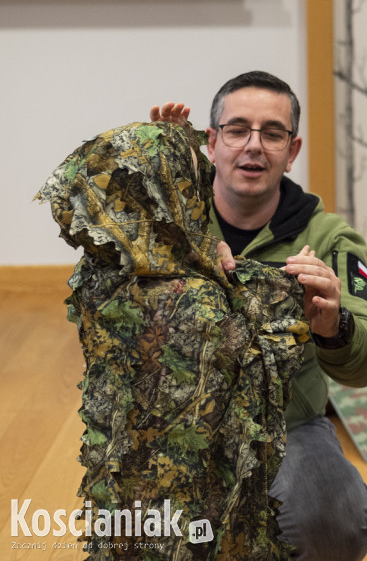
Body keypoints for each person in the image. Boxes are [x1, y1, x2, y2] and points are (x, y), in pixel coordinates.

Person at [36, 121, 310, 558]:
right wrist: (286, 284)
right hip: (192, 487)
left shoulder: (96, 279)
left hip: (122, 473)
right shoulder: (196, 299)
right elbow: (267, 343)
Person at [152, 70, 367, 560]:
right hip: (178, 419)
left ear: (292, 150)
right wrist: (148, 173)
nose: (253, 146)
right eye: (237, 130)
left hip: (287, 424)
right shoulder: (168, 221)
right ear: (211, 143)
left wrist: (333, 325)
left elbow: (365, 363)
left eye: (272, 133)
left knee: (335, 525)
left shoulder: (329, 241)